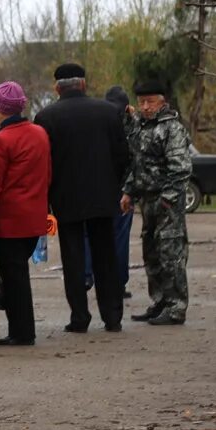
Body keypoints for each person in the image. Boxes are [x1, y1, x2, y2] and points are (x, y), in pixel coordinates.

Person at [34, 63, 129, 333]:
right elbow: (122, 155)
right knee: (106, 257)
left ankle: (79, 317)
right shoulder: (109, 112)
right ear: (84, 84)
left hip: (66, 198)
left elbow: (44, 162)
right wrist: (114, 185)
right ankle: (112, 317)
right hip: (103, 196)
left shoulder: (46, 117)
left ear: (57, 87)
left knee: (73, 258)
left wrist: (48, 196)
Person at [0, 82, 51, 347]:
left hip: (9, 221)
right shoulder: (40, 134)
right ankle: (23, 329)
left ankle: (21, 332)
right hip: (34, 218)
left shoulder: (1, 141)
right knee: (19, 275)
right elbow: (47, 176)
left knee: (13, 277)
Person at [121, 80, 192, 325]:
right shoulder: (140, 127)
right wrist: (129, 192)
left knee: (171, 254)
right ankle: (160, 301)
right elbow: (136, 164)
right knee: (151, 253)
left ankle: (176, 307)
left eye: (150, 101)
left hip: (167, 203)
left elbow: (181, 169)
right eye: (141, 102)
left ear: (162, 102)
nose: (145, 106)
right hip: (147, 200)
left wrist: (168, 199)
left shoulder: (172, 128)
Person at [82, 85, 137, 300]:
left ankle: (87, 276)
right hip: (123, 189)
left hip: (97, 188)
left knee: (89, 234)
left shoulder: (97, 121)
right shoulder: (133, 126)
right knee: (119, 238)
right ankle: (118, 282)